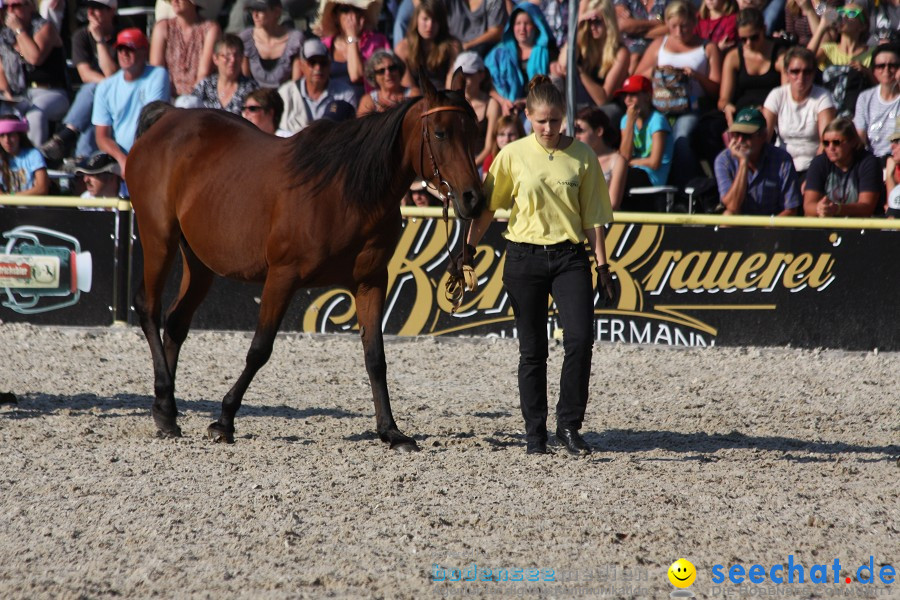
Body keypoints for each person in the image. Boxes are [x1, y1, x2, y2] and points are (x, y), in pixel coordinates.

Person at [462, 75, 615, 456]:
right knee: (534, 350)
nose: (549, 128)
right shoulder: (512, 154)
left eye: (556, 120)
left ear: (564, 116)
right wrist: (467, 251)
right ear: (528, 115)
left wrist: (603, 266)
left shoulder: (583, 156)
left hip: (570, 258)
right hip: (523, 257)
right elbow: (487, 209)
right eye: (541, 120)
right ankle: (535, 433)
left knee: (580, 340)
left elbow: (594, 217)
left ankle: (569, 426)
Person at [635, 0, 722, 189]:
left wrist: (696, 76)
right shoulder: (660, 44)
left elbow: (716, 89)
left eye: (684, 26)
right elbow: (637, 76)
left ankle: (690, 188)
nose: (679, 32)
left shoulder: (707, 48)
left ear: (694, 22)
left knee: (680, 137)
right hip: (662, 106)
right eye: (673, 26)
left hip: (693, 108)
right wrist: (657, 71)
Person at [39, 0, 123, 163]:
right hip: (97, 103)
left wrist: (99, 41)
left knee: (92, 89)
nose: (91, 13)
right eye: (89, 8)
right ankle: (82, 162)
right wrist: (105, 87)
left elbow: (113, 76)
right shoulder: (81, 35)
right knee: (94, 116)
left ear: (112, 10)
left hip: (121, 95)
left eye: (98, 8)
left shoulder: (123, 34)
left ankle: (67, 135)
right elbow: (85, 74)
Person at [92, 28, 171, 177]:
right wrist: (123, 160)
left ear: (144, 51)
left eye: (130, 48)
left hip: (150, 154)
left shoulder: (158, 75)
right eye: (120, 49)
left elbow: (152, 124)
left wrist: (134, 162)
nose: (124, 54)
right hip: (118, 160)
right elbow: (102, 136)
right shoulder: (105, 87)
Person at [0, 0, 69, 147]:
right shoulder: (5, 36)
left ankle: (35, 162)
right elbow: (1, 70)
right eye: (7, 6)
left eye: (16, 5)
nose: (10, 11)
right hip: (20, 95)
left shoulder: (45, 27)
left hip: (51, 92)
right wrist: (7, 95)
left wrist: (19, 30)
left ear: (30, 6)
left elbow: (34, 58)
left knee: (35, 114)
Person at [762, 46, 836, 180]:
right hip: (780, 166)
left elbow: (826, 142)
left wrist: (812, 177)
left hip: (812, 166)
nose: (801, 77)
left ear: (814, 73)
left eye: (807, 72)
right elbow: (763, 137)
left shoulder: (823, 97)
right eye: (795, 71)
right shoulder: (777, 95)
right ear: (787, 72)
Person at [714, 106, 800, 215]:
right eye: (736, 134)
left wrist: (765, 231)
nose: (740, 140)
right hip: (739, 225)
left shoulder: (783, 160)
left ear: (763, 136)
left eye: (746, 135)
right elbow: (732, 206)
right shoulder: (724, 160)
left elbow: (791, 210)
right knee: (727, 216)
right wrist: (743, 163)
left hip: (773, 226)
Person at [551, 1, 629, 117]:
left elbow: (603, 99)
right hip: (580, 104)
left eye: (597, 21)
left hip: (605, 110)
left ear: (608, 21)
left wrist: (581, 72)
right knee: (553, 80)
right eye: (589, 22)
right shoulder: (583, 44)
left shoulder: (621, 53)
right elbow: (563, 65)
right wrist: (577, 28)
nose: (592, 27)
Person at [718, 8, 787, 126]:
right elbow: (723, 100)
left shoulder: (780, 55)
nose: (749, 43)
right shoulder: (734, 57)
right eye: (743, 39)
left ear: (764, 30)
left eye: (754, 37)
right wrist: (727, 108)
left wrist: (769, 110)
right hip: (741, 113)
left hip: (771, 112)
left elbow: (787, 94)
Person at [802, 117, 881, 217]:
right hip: (826, 227)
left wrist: (837, 209)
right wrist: (821, 208)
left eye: (836, 142)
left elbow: (866, 207)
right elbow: (808, 206)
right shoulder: (819, 163)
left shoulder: (868, 162)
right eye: (826, 143)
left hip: (861, 228)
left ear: (852, 142)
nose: (831, 148)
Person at [485, 2, 555, 112]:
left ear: (536, 26)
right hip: (506, 109)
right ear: (512, 27)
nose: (522, 28)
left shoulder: (548, 53)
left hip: (538, 108)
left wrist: (526, 102)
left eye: (527, 23)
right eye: (518, 23)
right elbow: (486, 85)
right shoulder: (497, 55)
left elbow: (553, 86)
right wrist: (503, 102)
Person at [277, 38, 358, 133]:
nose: (318, 67)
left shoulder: (345, 93)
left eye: (323, 63)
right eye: (312, 62)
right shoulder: (285, 93)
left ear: (329, 65)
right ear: (302, 65)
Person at [807, 2, 874, 116]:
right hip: (829, 111)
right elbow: (804, 61)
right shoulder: (828, 50)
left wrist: (866, 72)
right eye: (841, 13)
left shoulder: (872, 52)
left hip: (858, 112)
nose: (844, 16)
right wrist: (822, 27)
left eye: (852, 13)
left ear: (862, 26)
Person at [312, 0, 389, 95]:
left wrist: (352, 37)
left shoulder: (376, 42)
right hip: (332, 105)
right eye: (345, 9)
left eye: (356, 9)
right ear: (336, 16)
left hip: (365, 104)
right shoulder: (325, 46)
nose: (351, 15)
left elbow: (355, 75)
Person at [149, 0, 221, 101]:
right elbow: (157, 72)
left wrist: (188, 101)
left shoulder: (210, 29)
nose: (175, 1)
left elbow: (203, 74)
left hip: (198, 99)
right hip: (166, 98)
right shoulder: (162, 27)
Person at [617, 74, 674, 198]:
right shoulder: (625, 120)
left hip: (651, 178)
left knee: (620, 176)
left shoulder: (657, 120)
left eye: (633, 95)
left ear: (647, 96)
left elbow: (654, 162)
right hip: (633, 172)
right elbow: (625, 155)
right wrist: (630, 123)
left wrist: (629, 162)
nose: (627, 100)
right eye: (625, 95)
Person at [395, 0, 461, 91]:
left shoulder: (452, 46)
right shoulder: (402, 48)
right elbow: (408, 87)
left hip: (443, 97)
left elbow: (452, 80)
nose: (429, 26)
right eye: (425, 19)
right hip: (415, 99)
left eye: (435, 20)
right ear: (416, 20)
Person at [449, 51, 499, 169]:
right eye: (460, 75)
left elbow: (489, 147)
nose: (463, 79)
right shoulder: (450, 104)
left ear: (481, 75)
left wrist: (469, 167)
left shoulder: (492, 105)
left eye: (468, 74)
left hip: (479, 165)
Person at [239, 0, 304, 88]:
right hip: (254, 97)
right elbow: (245, 82)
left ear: (277, 12)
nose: (255, 15)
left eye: (260, 10)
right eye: (253, 10)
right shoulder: (245, 39)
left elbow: (296, 84)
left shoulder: (295, 40)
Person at [853, 43, 900, 163]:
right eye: (881, 66)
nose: (887, 70)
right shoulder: (865, 98)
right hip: (873, 162)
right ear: (874, 70)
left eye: (893, 65)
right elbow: (860, 138)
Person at [189, 34, 259, 113]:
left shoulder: (252, 89)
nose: (233, 60)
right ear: (215, 59)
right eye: (227, 56)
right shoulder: (204, 86)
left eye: (237, 55)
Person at [576, 106, 627, 210]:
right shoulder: (574, 158)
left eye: (580, 131)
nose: (576, 136)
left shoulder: (617, 161)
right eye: (574, 130)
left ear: (599, 131)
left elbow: (612, 203)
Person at [613, 0, 667, 74]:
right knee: (633, 57)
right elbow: (623, 25)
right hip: (627, 52)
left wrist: (635, 28)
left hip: (658, 49)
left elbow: (672, 29)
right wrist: (656, 23)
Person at [356, 50, 416, 115]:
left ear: (399, 70)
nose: (388, 73)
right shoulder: (368, 101)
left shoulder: (413, 94)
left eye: (392, 68)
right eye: (381, 71)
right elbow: (363, 124)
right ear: (373, 76)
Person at [0, 114, 47, 194]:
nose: (6, 140)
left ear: (19, 135)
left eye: (11, 135)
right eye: (2, 136)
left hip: (30, 206)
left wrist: (11, 199)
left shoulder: (33, 155)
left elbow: (42, 188)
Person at [886, 117, 900, 217]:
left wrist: (889, 178)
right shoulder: (895, 167)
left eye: (897, 141)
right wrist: (890, 176)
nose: (892, 146)